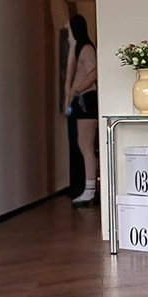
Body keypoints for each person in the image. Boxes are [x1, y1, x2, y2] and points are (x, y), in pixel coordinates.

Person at [64, 15, 98, 207]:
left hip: (86, 100)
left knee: (86, 146)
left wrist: (77, 89)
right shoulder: (82, 48)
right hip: (82, 100)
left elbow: (94, 72)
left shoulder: (86, 48)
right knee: (83, 145)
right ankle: (88, 188)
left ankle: (90, 190)